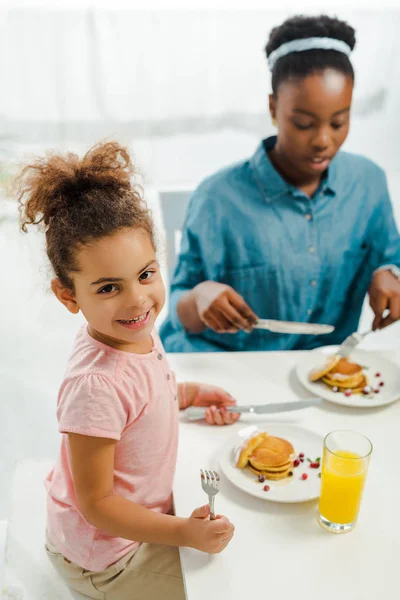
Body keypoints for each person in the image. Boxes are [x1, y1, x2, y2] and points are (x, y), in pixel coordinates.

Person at [15, 141, 238, 600]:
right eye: (108, 287)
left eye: (145, 274)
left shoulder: (133, 329)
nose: (137, 300)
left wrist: (189, 393)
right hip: (106, 557)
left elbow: (143, 396)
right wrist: (182, 533)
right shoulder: (95, 384)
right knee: (223, 587)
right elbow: (96, 505)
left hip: (136, 522)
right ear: (68, 296)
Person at [160, 14, 400, 353]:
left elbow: (390, 256)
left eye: (338, 122)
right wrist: (199, 298)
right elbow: (178, 305)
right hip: (224, 368)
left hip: (320, 370)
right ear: (273, 108)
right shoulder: (217, 199)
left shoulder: (368, 184)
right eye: (303, 123)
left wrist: (389, 273)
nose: (322, 140)